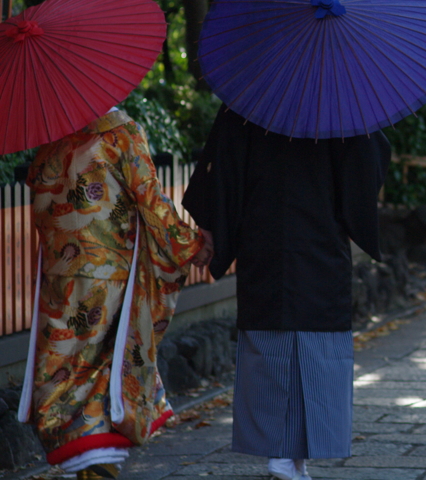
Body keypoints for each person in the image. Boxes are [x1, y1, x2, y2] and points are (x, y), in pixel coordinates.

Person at [182, 106, 391, 480]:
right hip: (319, 241)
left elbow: (221, 167)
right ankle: (287, 453)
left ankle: (288, 454)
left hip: (264, 237)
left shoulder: (249, 101)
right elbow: (368, 165)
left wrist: (212, 226)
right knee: (314, 346)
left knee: (272, 343)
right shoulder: (339, 105)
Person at [21, 108, 212, 480]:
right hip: (108, 274)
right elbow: (151, 200)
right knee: (105, 366)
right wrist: (190, 244)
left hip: (59, 275)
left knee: (67, 369)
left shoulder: (48, 141)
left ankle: (86, 465)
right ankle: (98, 467)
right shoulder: (120, 132)